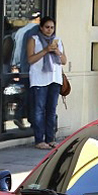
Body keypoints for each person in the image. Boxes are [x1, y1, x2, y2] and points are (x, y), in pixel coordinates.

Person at [27, 16, 67, 150]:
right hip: (39, 80)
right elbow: (30, 59)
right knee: (39, 111)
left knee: (51, 110)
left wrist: (57, 51)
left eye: (52, 27)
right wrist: (45, 50)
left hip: (54, 79)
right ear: (41, 27)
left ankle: (51, 138)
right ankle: (39, 139)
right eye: (47, 27)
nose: (49, 30)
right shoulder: (34, 39)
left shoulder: (58, 40)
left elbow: (64, 61)